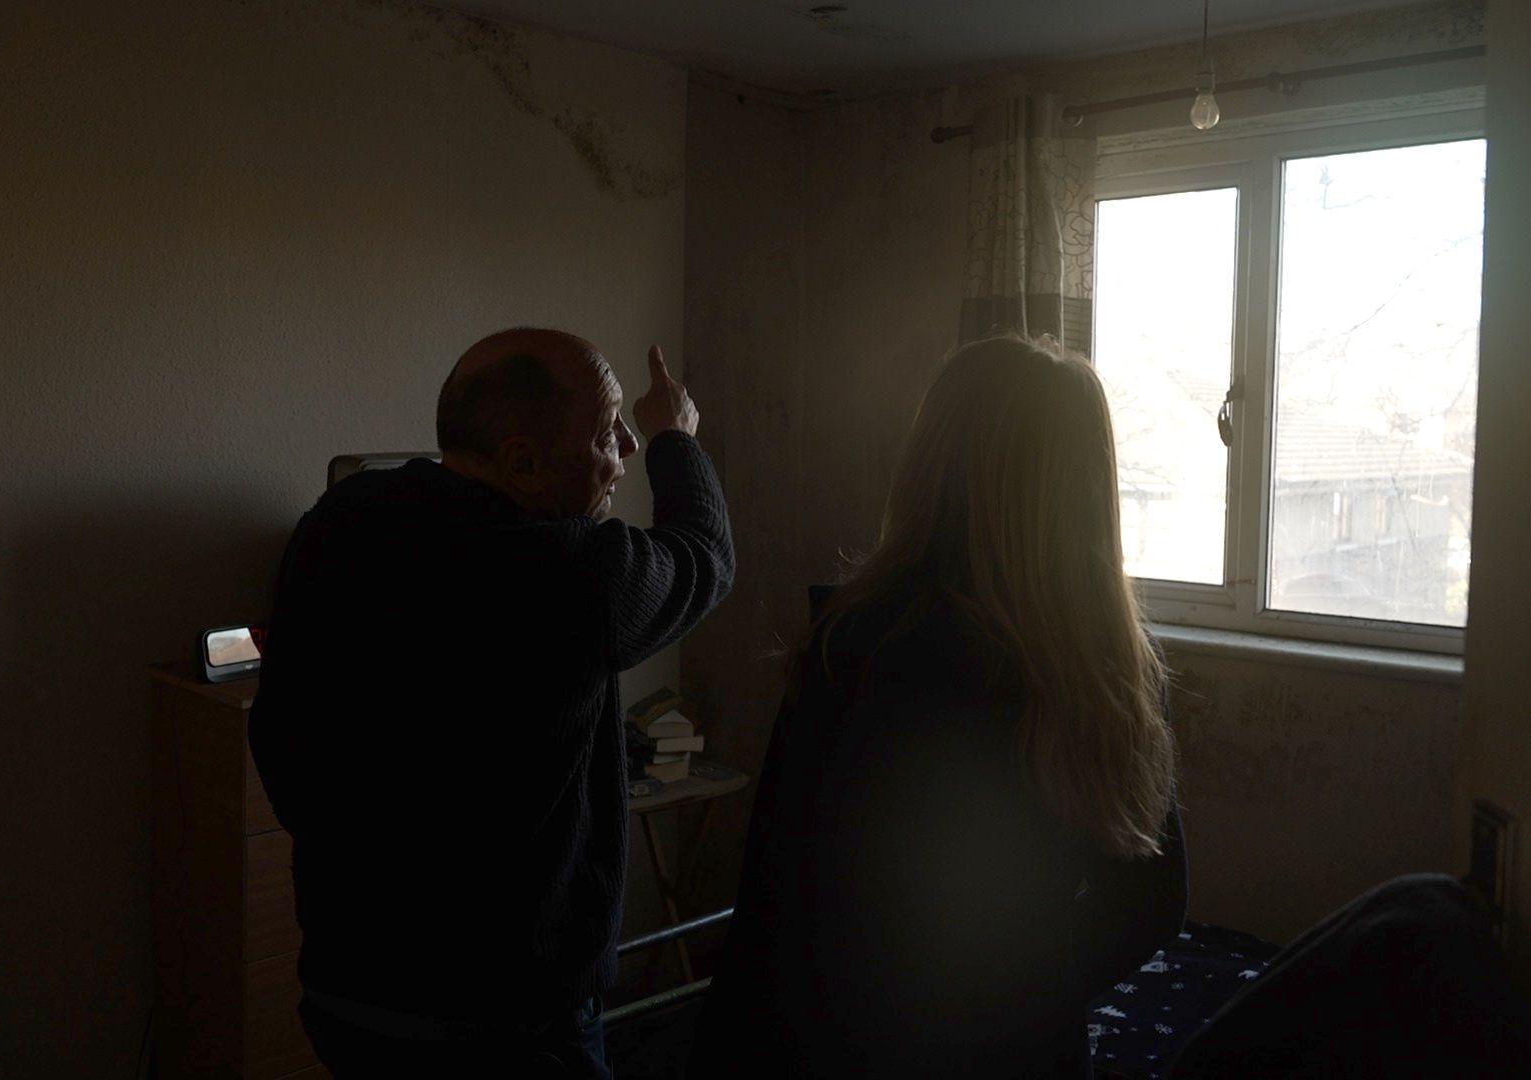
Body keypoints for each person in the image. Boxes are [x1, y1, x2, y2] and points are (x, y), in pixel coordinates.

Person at [690, 334, 1186, 1078]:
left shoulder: (866, 642)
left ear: (932, 465)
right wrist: (1029, 999)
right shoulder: (1105, 657)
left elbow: (785, 890)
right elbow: (1151, 898)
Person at [250, 328, 735, 1077]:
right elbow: (704, 554)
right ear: (522, 461)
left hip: (348, 996)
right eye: (610, 431)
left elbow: (281, 746)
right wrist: (676, 437)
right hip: (506, 1030)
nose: (628, 448)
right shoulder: (571, 576)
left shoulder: (338, 523)